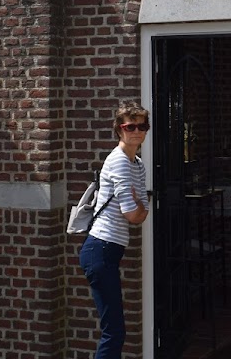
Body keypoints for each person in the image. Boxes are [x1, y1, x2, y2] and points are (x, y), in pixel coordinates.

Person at [80, 101, 150, 359]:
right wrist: (140, 206)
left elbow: (140, 210)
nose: (137, 131)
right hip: (100, 250)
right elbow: (134, 215)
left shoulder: (137, 164)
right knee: (114, 331)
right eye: (130, 126)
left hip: (109, 251)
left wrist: (139, 206)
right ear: (119, 130)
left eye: (142, 126)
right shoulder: (119, 161)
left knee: (115, 329)